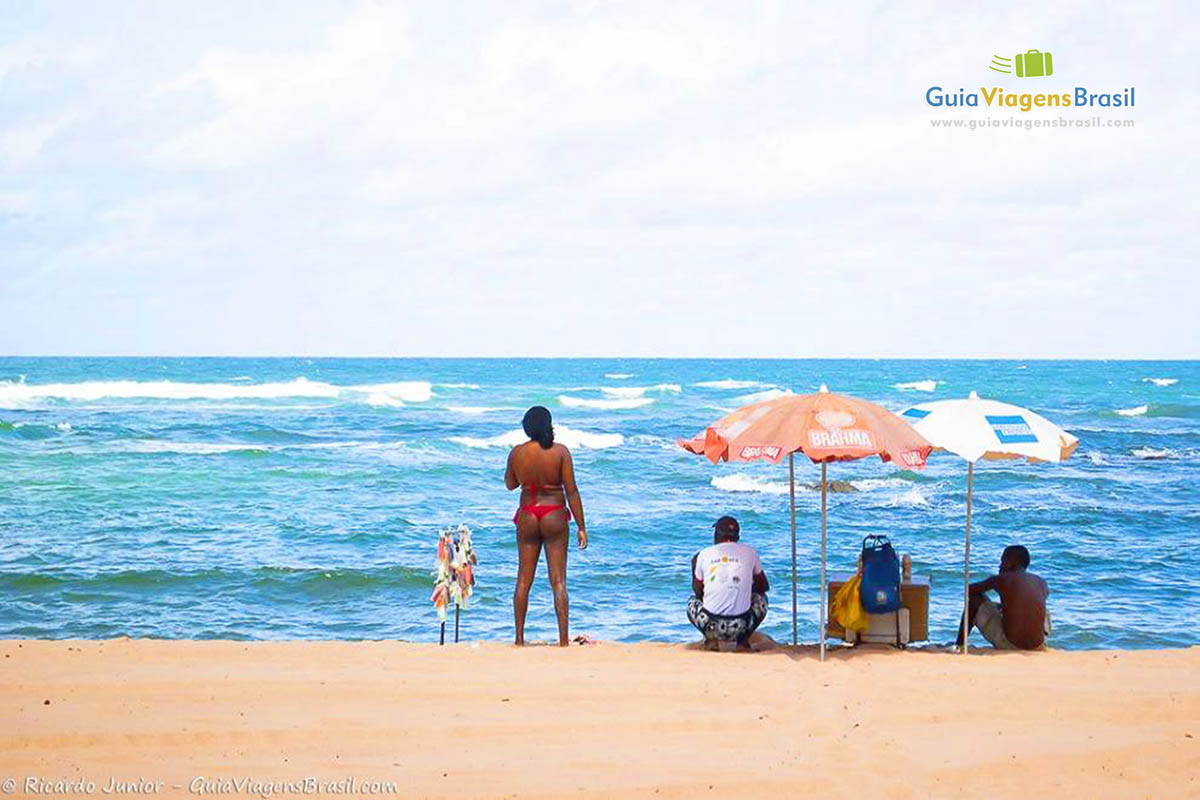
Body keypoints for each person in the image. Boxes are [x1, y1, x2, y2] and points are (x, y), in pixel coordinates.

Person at [505, 406, 588, 647]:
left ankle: (519, 639)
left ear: (527, 427)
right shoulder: (561, 452)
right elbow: (571, 490)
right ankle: (563, 641)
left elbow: (510, 484)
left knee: (523, 579)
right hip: (554, 514)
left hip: (528, 514)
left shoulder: (517, 453)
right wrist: (581, 525)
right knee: (558, 579)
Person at [687, 516, 768, 650]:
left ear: (716, 535)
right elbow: (764, 586)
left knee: (691, 602)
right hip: (742, 625)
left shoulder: (703, 555)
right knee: (762, 599)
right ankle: (742, 642)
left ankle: (711, 639)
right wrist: (747, 589)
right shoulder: (751, 553)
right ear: (738, 536)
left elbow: (698, 592)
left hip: (711, 624)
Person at [957, 544, 1050, 651]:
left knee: (974, 599)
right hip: (1038, 645)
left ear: (1009, 562)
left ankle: (959, 645)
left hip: (1011, 645)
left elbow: (969, 590)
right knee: (1043, 610)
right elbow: (1027, 603)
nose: (1000, 566)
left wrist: (996, 581)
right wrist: (1005, 605)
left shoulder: (1002, 578)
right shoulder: (1041, 582)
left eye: (1002, 561)